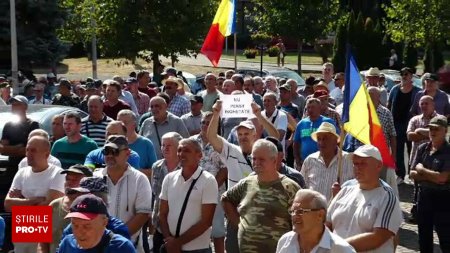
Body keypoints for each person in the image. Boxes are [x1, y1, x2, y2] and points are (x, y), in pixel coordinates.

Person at [222, 139, 300, 253]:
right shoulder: (246, 183)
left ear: (274, 161)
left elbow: (301, 219)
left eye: (261, 159)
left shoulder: (290, 188)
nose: (256, 163)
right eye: (254, 158)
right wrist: (238, 223)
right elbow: (226, 199)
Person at [327, 145, 403, 253]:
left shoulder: (387, 197)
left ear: (378, 166)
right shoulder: (344, 191)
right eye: (355, 163)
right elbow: (327, 224)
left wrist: (339, 247)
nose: (358, 167)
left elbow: (378, 237)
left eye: (363, 163)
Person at [4, 136, 65, 253]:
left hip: (47, 231)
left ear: (46, 155)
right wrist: (33, 201)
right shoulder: (22, 173)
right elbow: (7, 205)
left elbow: (48, 206)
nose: (28, 154)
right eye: (27, 150)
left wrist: (20, 202)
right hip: (23, 228)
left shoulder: (58, 173)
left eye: (33, 150)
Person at [93, 135, 152, 253]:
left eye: (114, 151)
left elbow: (143, 214)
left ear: (127, 153)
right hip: (97, 246)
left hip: (129, 246)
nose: (109, 155)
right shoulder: (95, 177)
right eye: (106, 151)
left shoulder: (139, 179)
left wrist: (115, 240)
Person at [159, 138, 218, 253]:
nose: (181, 154)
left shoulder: (208, 181)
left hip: (198, 249)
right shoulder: (169, 178)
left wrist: (177, 243)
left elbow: (206, 222)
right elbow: (162, 214)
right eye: (179, 150)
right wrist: (169, 242)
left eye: (186, 150)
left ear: (199, 155)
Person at [409, 115, 450, 253]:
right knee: (424, 237)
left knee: (445, 237)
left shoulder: (448, 152)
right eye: (431, 129)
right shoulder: (422, 148)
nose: (432, 132)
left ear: (445, 131)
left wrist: (421, 170)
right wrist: (429, 176)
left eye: (436, 129)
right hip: (424, 197)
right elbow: (412, 173)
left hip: (443, 199)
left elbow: (442, 178)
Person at [191, 112, 228, 253]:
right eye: (203, 122)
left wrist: (209, 188)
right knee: (196, 229)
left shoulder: (222, 144)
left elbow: (224, 170)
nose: (206, 125)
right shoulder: (191, 142)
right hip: (193, 192)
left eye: (209, 122)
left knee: (218, 231)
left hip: (215, 193)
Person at [276, 189, 356, 253]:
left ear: (320, 215)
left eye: (300, 211)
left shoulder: (341, 249)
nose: (294, 215)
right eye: (292, 211)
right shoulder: (285, 241)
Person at [37, 164, 93, 253]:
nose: (69, 183)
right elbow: (42, 242)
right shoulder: (54, 205)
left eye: (75, 179)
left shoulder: (94, 208)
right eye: (67, 179)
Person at [57, 194, 136, 252]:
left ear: (104, 222)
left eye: (87, 226)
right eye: (75, 225)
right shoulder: (67, 244)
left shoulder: (121, 247)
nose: (79, 232)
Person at [301, 122, 354, 201]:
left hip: (339, 210)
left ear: (335, 140)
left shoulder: (349, 160)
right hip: (314, 211)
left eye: (326, 138)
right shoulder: (310, 160)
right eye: (319, 139)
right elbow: (302, 188)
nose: (321, 142)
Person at [387, 67, 421, 184]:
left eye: (406, 74)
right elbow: (389, 105)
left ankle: (411, 174)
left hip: (411, 125)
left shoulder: (418, 91)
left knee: (413, 150)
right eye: (402, 74)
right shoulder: (394, 89)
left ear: (411, 76)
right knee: (398, 150)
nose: (404, 76)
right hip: (396, 124)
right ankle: (400, 174)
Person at [151, 132, 183, 252]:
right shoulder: (156, 167)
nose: (165, 148)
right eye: (163, 145)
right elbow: (154, 196)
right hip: (159, 227)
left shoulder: (186, 168)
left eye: (169, 145)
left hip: (180, 227)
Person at [293, 98, 336, 169]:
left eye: (313, 107)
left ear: (319, 108)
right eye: (308, 107)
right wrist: (297, 161)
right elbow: (296, 143)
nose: (310, 110)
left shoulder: (327, 122)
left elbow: (335, 140)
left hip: (323, 162)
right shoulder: (301, 123)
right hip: (304, 163)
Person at [0, 95, 40, 168]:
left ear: (25, 107)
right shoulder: (8, 125)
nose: (14, 107)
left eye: (17, 104)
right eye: (13, 105)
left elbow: (28, 150)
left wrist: (10, 149)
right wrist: (17, 147)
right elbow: (2, 149)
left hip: (27, 166)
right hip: (11, 166)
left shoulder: (33, 125)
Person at [118, 110, 157, 178]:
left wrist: (134, 171)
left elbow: (155, 170)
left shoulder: (146, 143)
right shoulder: (113, 143)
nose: (121, 126)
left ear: (134, 125)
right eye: (118, 123)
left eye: (125, 123)